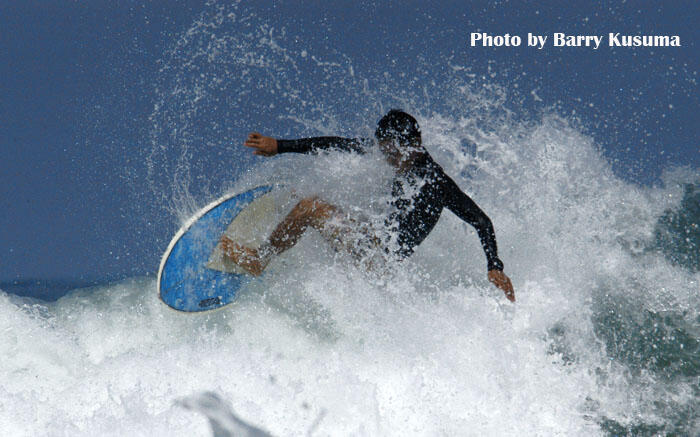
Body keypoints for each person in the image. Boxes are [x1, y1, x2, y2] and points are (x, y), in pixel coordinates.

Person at [220, 110, 515, 302]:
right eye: (385, 152)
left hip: (380, 260)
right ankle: (281, 246)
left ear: (415, 143)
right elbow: (336, 144)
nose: (389, 159)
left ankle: (258, 260)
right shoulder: (392, 155)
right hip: (371, 244)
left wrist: (494, 266)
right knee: (308, 200)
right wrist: (281, 146)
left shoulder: (436, 182)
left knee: (311, 207)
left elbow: (481, 221)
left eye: (394, 153)